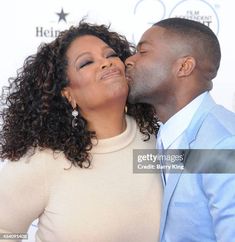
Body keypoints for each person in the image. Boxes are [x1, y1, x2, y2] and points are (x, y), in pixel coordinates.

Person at [0, 21, 163, 242]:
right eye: (86, 63)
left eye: (111, 55)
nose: (106, 63)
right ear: (68, 95)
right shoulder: (44, 161)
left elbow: (220, 164)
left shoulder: (158, 139)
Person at [125, 17, 235, 242]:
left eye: (143, 52)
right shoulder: (161, 135)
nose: (128, 60)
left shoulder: (223, 144)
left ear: (184, 67)